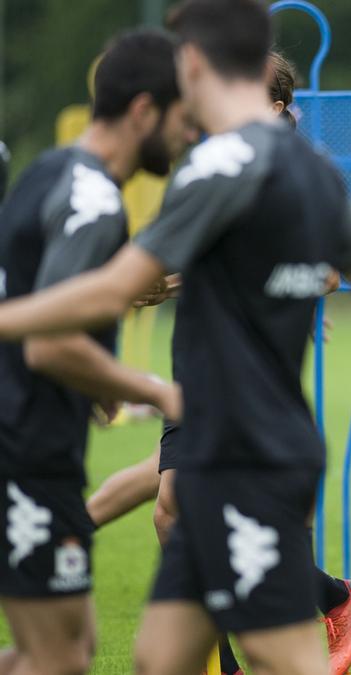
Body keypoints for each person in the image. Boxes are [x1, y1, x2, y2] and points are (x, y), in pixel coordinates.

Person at [0, 1, 351, 673]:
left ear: (192, 64)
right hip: (244, 449)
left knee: (285, 657)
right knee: (159, 657)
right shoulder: (314, 170)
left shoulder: (219, 166)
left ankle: (337, 601)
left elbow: (111, 287)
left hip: (245, 457)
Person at [80, 50, 351, 675]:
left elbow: (330, 274)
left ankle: (334, 600)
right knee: (170, 512)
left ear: (278, 106)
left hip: (251, 367)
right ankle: (311, 611)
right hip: (200, 359)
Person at [0, 29, 189, 675]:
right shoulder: (96, 200)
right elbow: (48, 344)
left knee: (67, 651)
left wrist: (99, 383)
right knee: (56, 658)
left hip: (37, 445)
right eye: (180, 118)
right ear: (143, 111)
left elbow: (47, 297)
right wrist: (156, 391)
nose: (187, 135)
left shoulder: (52, 171)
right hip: (22, 448)